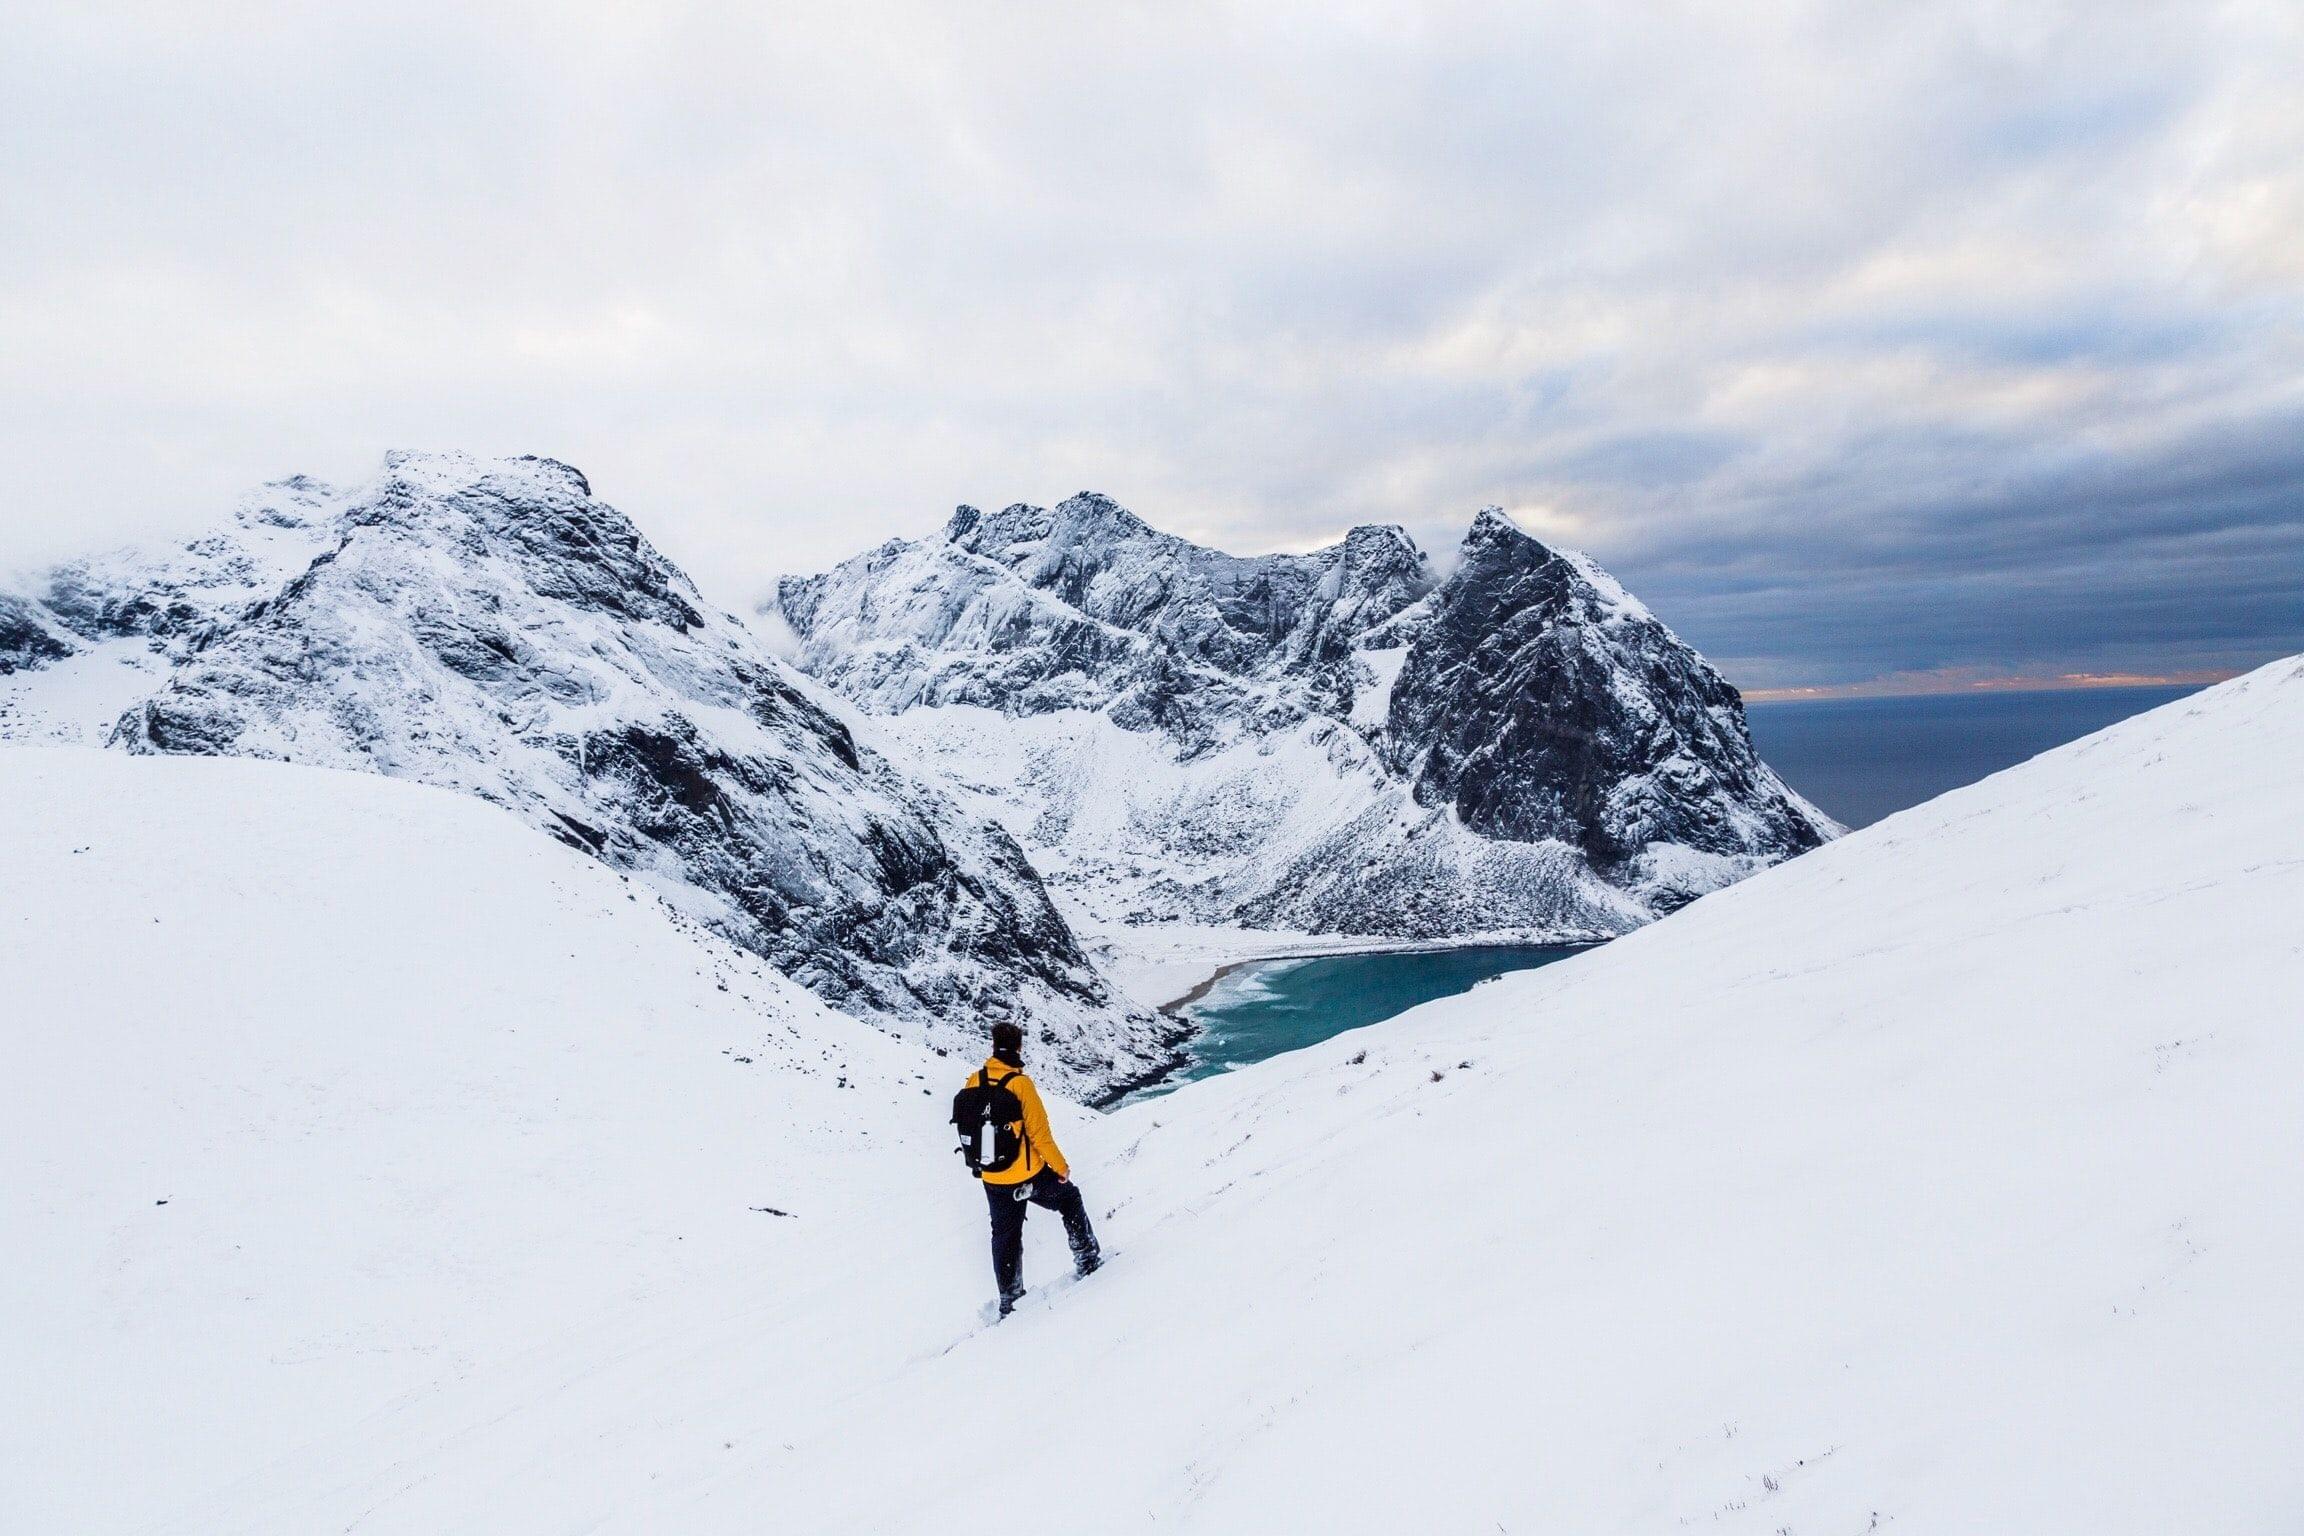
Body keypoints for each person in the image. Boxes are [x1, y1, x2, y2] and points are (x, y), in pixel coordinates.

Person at [969, 1021, 1100, 1315]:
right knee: (1070, 1198)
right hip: (1027, 1174)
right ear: (1018, 1047)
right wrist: (1061, 1168)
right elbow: (1040, 1136)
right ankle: (1087, 1258)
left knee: (1004, 1234)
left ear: (993, 1046)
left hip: (992, 1176)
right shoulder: (1020, 1084)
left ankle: (1010, 1298)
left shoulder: (974, 1081)